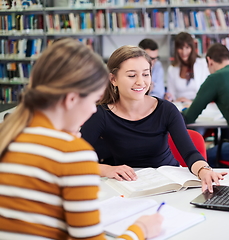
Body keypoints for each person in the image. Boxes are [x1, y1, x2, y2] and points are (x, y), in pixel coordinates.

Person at [0, 39, 163, 240]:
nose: (94, 109)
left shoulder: (9, 135)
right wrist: (141, 230)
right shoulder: (72, 154)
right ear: (71, 100)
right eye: (93, 101)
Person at [80, 45, 226, 192]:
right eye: (132, 75)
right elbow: (75, 157)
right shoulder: (101, 114)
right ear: (113, 79)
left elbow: (190, 153)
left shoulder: (166, 110)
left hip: (171, 184)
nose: (140, 82)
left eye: (145, 74)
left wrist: (204, 170)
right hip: (130, 186)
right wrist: (106, 170)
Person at [165, 32, 209, 102]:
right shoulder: (172, 68)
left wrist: (190, 102)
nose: (184, 52)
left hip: (198, 105)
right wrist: (170, 98)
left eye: (187, 47)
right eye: (180, 48)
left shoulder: (202, 64)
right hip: (179, 105)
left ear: (192, 48)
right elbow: (171, 94)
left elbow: (207, 92)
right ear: (176, 49)